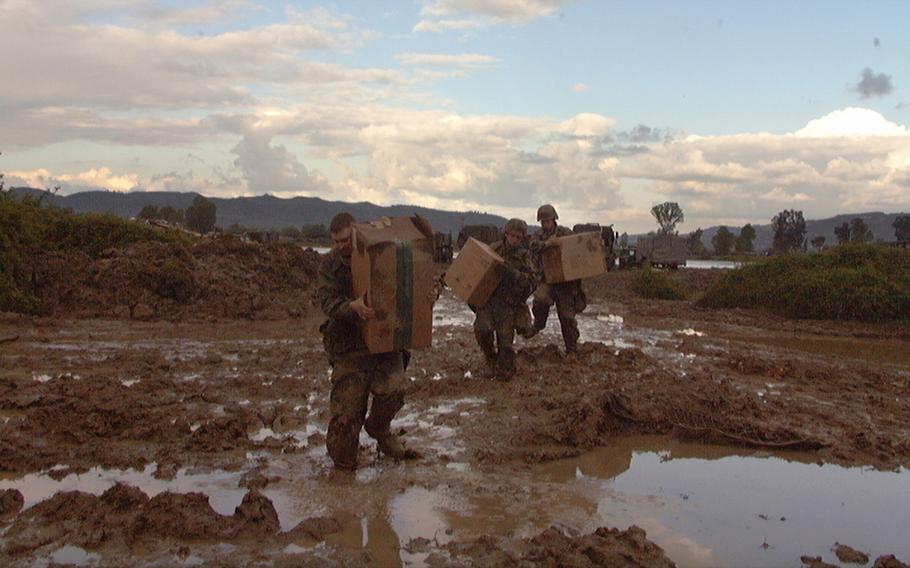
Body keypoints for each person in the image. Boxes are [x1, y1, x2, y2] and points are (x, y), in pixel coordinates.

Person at [317, 212, 420, 470]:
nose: (342, 246)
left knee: (394, 392)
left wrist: (429, 294)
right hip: (350, 346)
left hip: (386, 344)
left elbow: (410, 285)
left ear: (357, 230)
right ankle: (343, 468)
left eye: (345, 239)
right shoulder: (330, 265)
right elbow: (327, 301)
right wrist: (350, 306)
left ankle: (378, 428)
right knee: (346, 419)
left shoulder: (382, 251)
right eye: (336, 242)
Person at [473, 218, 536, 380]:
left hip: (509, 304)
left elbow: (532, 281)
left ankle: (505, 365)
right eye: (512, 235)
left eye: (518, 237)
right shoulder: (495, 249)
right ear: (506, 234)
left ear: (522, 239)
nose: (514, 239)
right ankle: (490, 358)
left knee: (506, 348)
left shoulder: (525, 256)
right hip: (490, 299)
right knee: (482, 329)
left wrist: (513, 274)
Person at [528, 204, 587, 354]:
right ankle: (539, 324)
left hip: (564, 281)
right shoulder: (538, 236)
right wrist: (548, 244)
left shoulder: (565, 233)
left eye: (548, 221)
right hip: (546, 278)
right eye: (543, 222)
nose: (546, 224)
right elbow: (533, 246)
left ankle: (572, 349)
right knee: (540, 300)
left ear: (554, 219)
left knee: (567, 317)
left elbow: (577, 248)